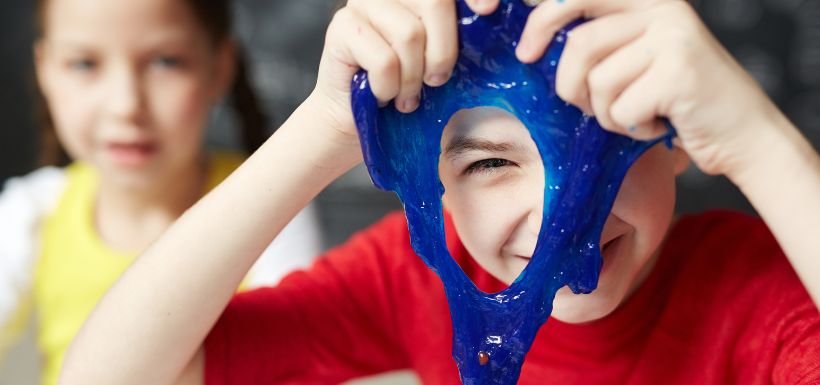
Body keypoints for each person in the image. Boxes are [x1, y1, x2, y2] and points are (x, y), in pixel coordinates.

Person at [60, 0, 820, 384]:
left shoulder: (758, 295)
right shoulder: (414, 276)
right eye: (489, 165)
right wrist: (327, 124)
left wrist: (761, 141)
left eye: (600, 143)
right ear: (433, 186)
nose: (557, 216)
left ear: (675, 132)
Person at [0, 0, 322, 384]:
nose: (126, 105)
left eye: (166, 62)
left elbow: (298, 364)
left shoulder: (277, 207)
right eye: (85, 64)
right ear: (44, 70)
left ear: (219, 68)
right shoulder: (31, 212)